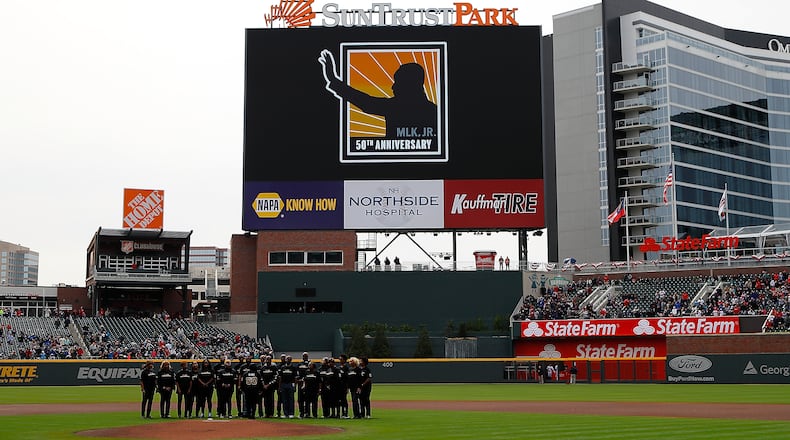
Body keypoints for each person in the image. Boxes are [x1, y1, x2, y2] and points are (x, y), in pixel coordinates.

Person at [319, 49, 437, 140]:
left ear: (410, 85)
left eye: (398, 83)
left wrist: (333, 80)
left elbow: (367, 103)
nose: (393, 87)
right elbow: (368, 103)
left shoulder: (396, 107)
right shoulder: (434, 111)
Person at [296, 352, 311, 418]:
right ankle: (301, 412)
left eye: (306, 356)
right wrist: (298, 380)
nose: (304, 357)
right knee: (300, 399)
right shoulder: (299, 364)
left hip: (308, 384)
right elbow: (297, 374)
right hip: (300, 383)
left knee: (307, 399)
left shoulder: (310, 363)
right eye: (304, 356)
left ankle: (307, 413)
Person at [337, 354, 350, 419]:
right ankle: (339, 413)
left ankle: (345, 413)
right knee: (339, 400)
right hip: (339, 386)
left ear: (344, 360)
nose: (340, 360)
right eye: (339, 359)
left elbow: (347, 378)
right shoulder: (339, 367)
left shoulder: (346, 368)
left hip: (344, 386)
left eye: (341, 359)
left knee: (344, 400)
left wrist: (347, 387)